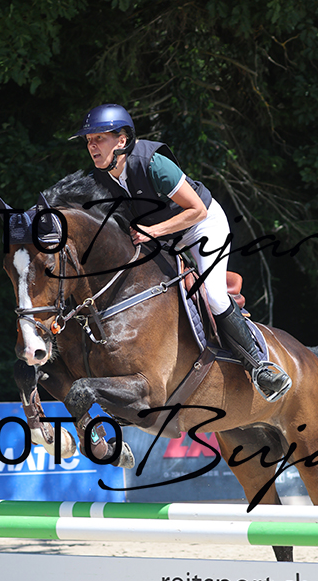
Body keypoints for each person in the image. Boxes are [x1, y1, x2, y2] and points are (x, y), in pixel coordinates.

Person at [70, 104, 291, 400]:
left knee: (213, 294)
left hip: (201, 226)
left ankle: (260, 366)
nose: (92, 146)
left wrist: (154, 232)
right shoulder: (100, 179)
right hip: (163, 236)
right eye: (88, 140)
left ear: (122, 140)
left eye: (99, 138)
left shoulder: (153, 164)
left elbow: (197, 210)